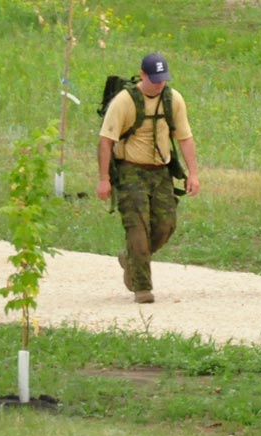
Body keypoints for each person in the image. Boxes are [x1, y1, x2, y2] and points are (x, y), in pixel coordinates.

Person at [96, 53, 200, 304]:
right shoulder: (124, 101)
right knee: (138, 228)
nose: (158, 84)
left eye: (162, 80)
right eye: (154, 80)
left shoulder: (172, 99)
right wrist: (104, 179)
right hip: (130, 170)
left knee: (166, 224)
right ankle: (142, 287)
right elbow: (106, 141)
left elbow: (184, 138)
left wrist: (193, 173)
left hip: (160, 171)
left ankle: (131, 258)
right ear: (142, 75)